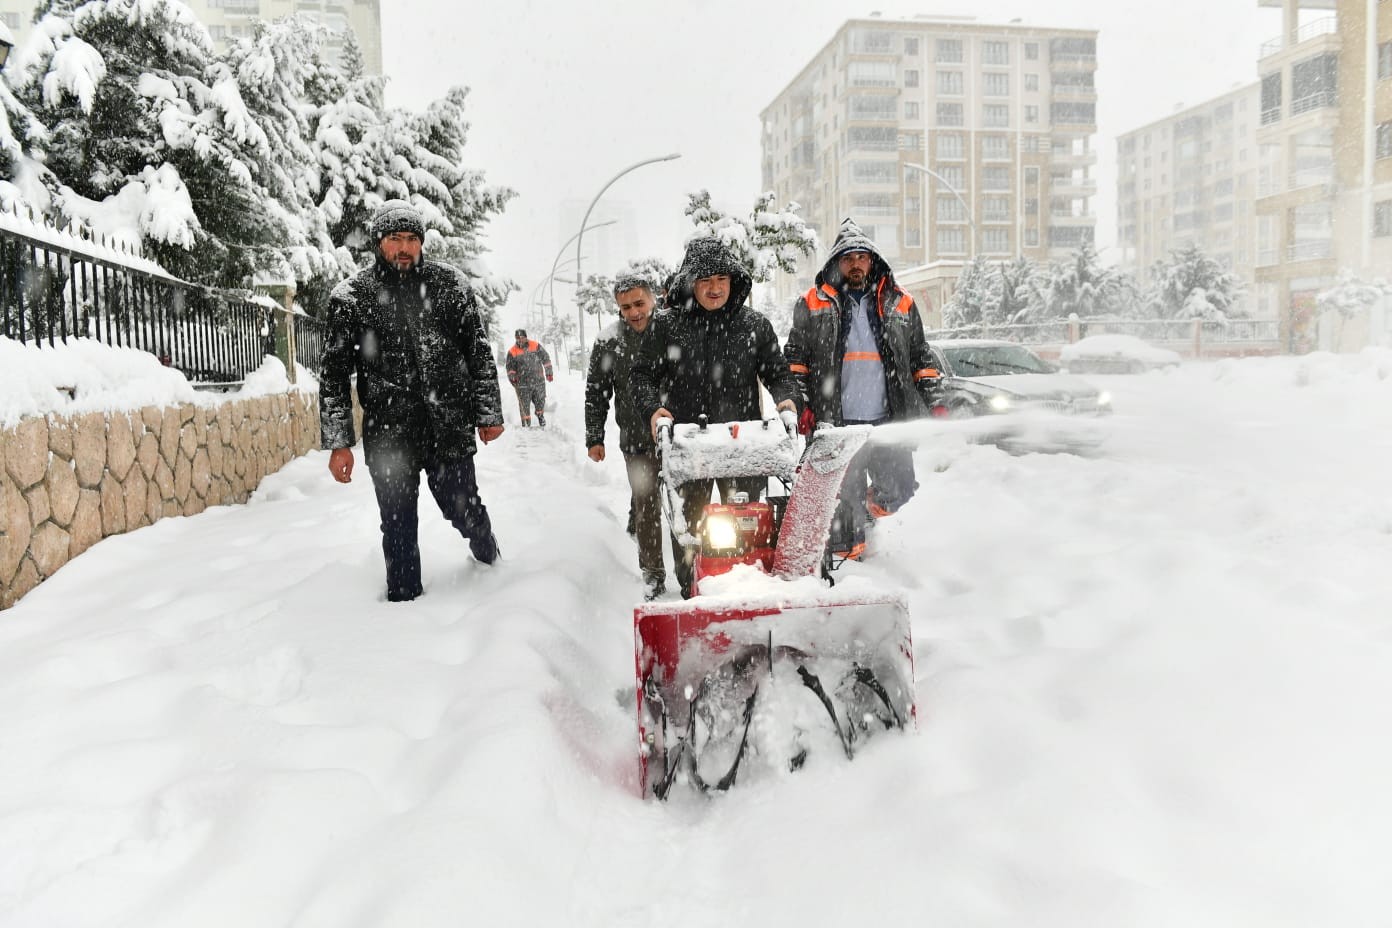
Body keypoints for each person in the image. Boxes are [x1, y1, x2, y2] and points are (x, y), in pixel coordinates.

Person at [319, 199, 505, 603]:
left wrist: (488, 411)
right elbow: (333, 374)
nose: (404, 248)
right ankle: (403, 609)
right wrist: (339, 442)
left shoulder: (449, 285)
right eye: (394, 239)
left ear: (421, 242)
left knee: (465, 512)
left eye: (411, 239)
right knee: (398, 525)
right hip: (389, 432)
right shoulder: (352, 297)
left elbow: (477, 351)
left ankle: (492, 563)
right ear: (378, 242)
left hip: (448, 426)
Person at [632, 236, 799, 599]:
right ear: (690, 282)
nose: (714, 288)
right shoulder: (666, 326)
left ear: (733, 281)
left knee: (749, 528)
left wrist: (786, 401)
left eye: (721, 279)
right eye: (705, 280)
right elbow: (641, 375)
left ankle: (748, 597)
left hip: (743, 444)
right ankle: (695, 595)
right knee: (691, 532)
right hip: (688, 446)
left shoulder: (753, 325)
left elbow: (779, 374)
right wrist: (653, 409)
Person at [783, 217, 942, 560]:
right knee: (843, 514)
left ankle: (868, 517)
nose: (855, 263)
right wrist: (800, 404)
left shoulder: (900, 302)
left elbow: (920, 356)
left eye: (862, 256)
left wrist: (934, 398)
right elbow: (795, 362)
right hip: (836, 425)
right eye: (848, 257)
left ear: (872, 261)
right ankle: (851, 575)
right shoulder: (812, 302)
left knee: (899, 490)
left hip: (887, 419)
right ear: (836, 263)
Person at [585, 274, 668, 600]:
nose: (634, 312)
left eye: (639, 304)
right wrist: (595, 435)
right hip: (636, 438)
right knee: (648, 504)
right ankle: (653, 574)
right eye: (625, 307)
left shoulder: (671, 330)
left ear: (653, 300)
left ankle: (691, 567)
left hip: (678, 436)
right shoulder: (609, 342)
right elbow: (596, 393)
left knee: (682, 504)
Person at [505, 329, 553, 427]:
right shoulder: (512, 351)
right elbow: (510, 367)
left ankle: (540, 416)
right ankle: (526, 423)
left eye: (522, 337)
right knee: (524, 404)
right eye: (518, 338)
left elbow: (545, 358)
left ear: (526, 337)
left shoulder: (535, 346)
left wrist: (549, 372)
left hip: (538, 380)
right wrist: (512, 377)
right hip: (522, 383)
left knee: (540, 400)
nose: (520, 340)